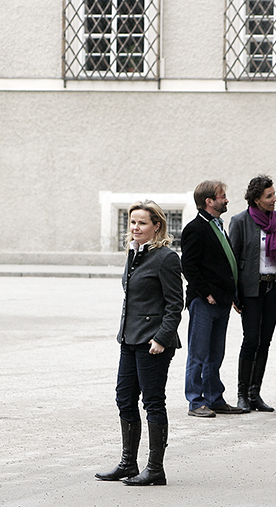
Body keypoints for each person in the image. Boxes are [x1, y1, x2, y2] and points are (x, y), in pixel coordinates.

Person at [96, 200, 183, 486]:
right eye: (132, 222)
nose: (136, 227)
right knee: (124, 398)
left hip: (154, 343)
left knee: (153, 402)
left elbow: (175, 304)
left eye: (142, 223)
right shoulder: (134, 254)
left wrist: (162, 338)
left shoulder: (166, 257)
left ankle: (155, 468)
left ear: (156, 226)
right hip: (129, 339)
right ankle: (127, 463)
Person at [180, 180, 245, 418]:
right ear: (209, 201)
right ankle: (195, 401)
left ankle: (214, 398)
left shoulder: (218, 225)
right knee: (198, 354)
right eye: (222, 196)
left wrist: (232, 296)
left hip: (222, 301)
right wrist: (205, 293)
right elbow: (188, 266)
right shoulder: (195, 228)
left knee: (215, 354)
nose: (226, 199)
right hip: (205, 302)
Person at [229, 174, 276, 412]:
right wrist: (235, 294)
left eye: (273, 194)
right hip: (251, 289)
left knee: (265, 341)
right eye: (269, 196)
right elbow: (233, 259)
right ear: (256, 199)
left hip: (273, 287)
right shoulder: (240, 221)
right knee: (251, 340)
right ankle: (242, 393)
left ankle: (255, 393)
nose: (274, 199)